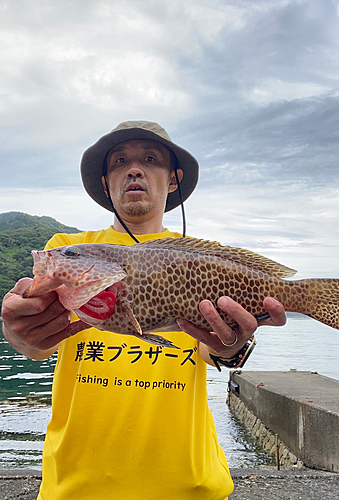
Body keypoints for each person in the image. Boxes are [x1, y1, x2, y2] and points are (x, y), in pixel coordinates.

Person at [1, 121, 286, 500]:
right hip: (76, 488)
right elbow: (35, 345)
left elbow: (212, 349)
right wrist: (20, 331)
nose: (134, 169)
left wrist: (230, 347)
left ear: (173, 180)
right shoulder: (70, 247)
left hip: (189, 486)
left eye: (149, 159)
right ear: (106, 183)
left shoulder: (205, 259)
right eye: (119, 162)